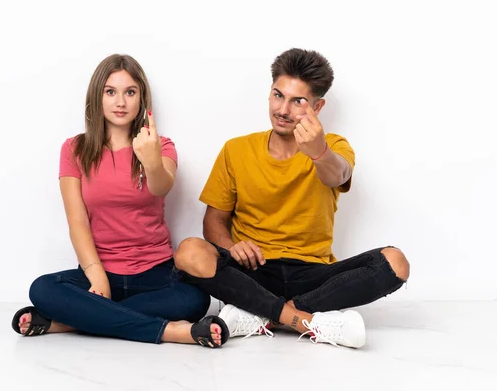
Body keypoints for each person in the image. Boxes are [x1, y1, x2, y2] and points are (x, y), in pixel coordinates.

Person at [173, 48, 410, 349]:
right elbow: (213, 222)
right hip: (253, 271)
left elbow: (337, 175)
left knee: (396, 262)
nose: (283, 110)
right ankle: (305, 320)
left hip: (313, 273)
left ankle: (263, 314)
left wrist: (318, 152)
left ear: (317, 106)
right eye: (277, 95)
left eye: (297, 101)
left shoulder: (333, 146)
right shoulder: (236, 149)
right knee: (189, 251)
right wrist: (233, 247)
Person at [11, 54, 229, 348]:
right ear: (97, 97)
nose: (120, 102)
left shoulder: (161, 146)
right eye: (110, 92)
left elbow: (162, 187)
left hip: (155, 274)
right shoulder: (74, 149)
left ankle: (70, 321)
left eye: (130, 92)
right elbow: (77, 222)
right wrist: (97, 276)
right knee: (42, 289)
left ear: (141, 98)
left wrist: (151, 161)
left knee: (195, 299)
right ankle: (170, 332)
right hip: (98, 271)